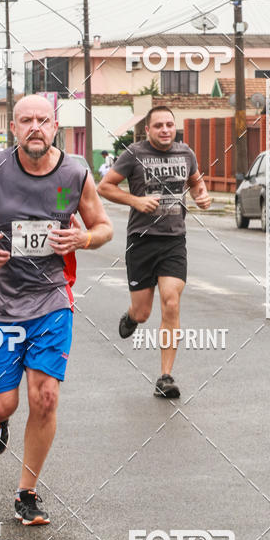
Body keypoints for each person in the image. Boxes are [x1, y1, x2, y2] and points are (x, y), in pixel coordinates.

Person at [0, 95, 113, 526]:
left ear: (55, 126)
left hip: (51, 299)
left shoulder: (75, 172)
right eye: (26, 121)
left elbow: (103, 226)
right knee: (4, 405)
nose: (35, 127)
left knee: (46, 397)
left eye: (43, 120)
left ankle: (27, 492)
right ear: (14, 128)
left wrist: (83, 240)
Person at [98, 106, 211, 399]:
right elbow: (105, 187)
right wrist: (135, 201)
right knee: (144, 311)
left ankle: (165, 377)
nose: (164, 129)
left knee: (171, 303)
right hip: (141, 240)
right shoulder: (133, 154)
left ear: (175, 128)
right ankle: (132, 317)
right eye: (158, 125)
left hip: (174, 240)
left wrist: (202, 195)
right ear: (147, 129)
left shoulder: (186, 153)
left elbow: (196, 182)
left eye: (169, 125)